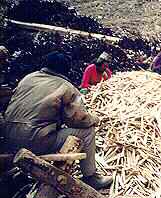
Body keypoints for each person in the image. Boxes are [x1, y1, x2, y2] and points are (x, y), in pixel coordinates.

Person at [3, 51, 112, 190]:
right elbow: (79, 120)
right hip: (34, 140)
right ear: (66, 69)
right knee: (88, 131)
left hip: (7, 138)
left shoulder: (28, 78)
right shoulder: (65, 86)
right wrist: (94, 119)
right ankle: (91, 177)